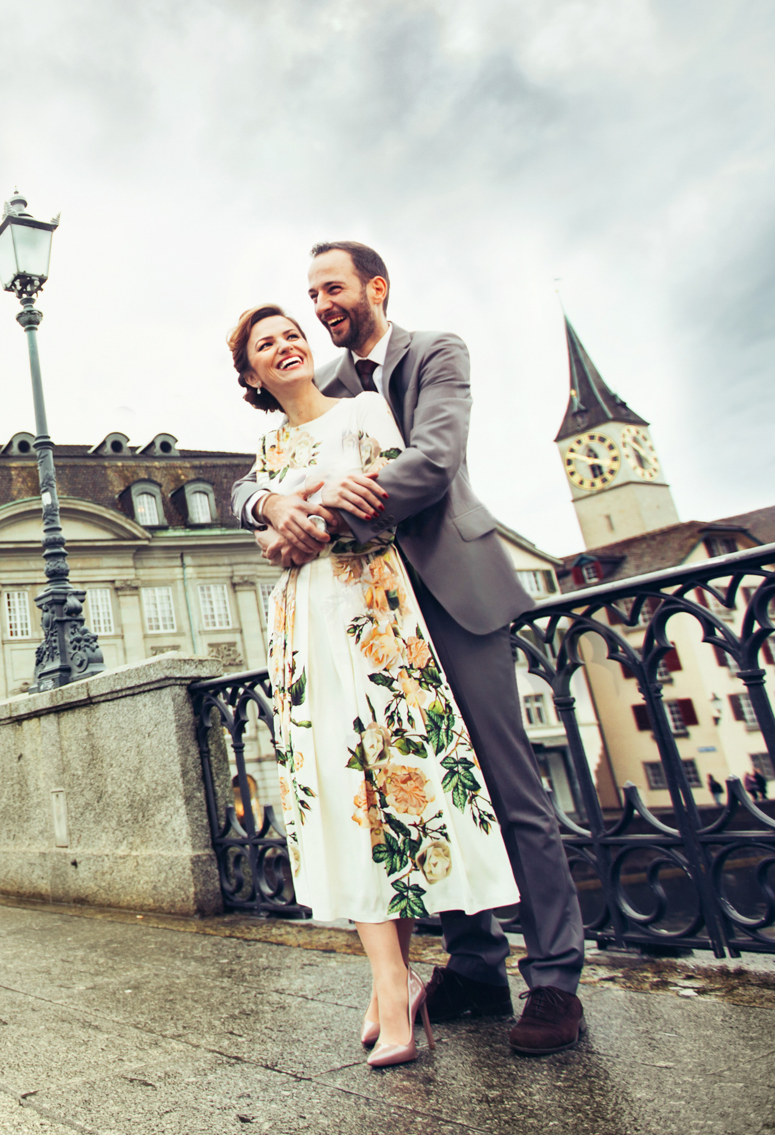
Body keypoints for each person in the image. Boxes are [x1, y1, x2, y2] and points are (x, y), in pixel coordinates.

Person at [231, 244, 588, 1058]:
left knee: (507, 786)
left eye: (333, 288)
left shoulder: (435, 353)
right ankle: (474, 966)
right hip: (375, 619)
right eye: (310, 292)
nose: (320, 305)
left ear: (374, 289)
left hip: (448, 595)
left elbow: (431, 463)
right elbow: (268, 464)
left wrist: (313, 527)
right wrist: (269, 504)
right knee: (422, 783)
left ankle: (557, 981)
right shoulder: (328, 383)